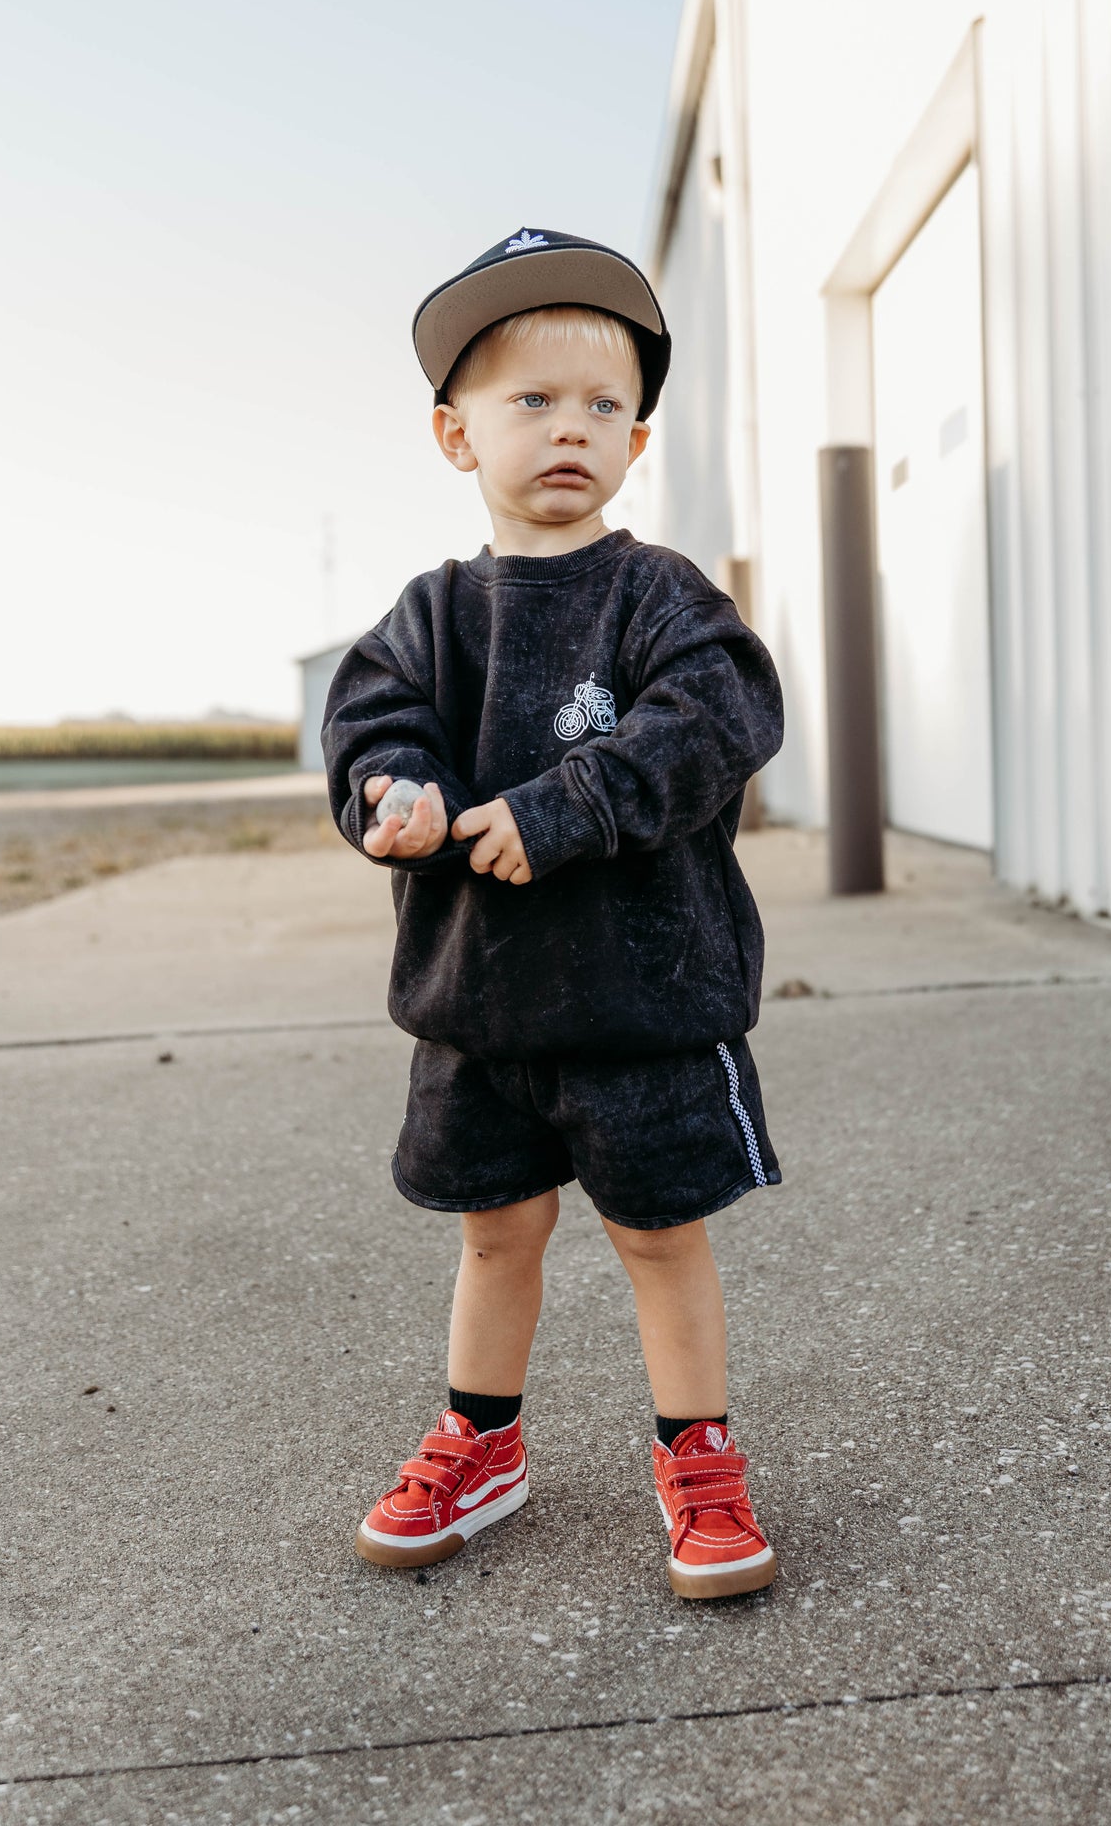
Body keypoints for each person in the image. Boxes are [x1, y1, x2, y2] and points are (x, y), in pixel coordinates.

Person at [322, 228, 784, 1600]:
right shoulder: (427, 617)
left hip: (645, 1001)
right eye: (531, 398)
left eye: (601, 404)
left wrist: (567, 806)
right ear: (455, 433)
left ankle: (698, 1457)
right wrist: (394, 795)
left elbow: (720, 714)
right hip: (478, 1007)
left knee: (660, 1238)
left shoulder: (658, 595)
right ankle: (482, 1444)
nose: (569, 426)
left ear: (634, 442)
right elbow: (373, 730)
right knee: (494, 1233)